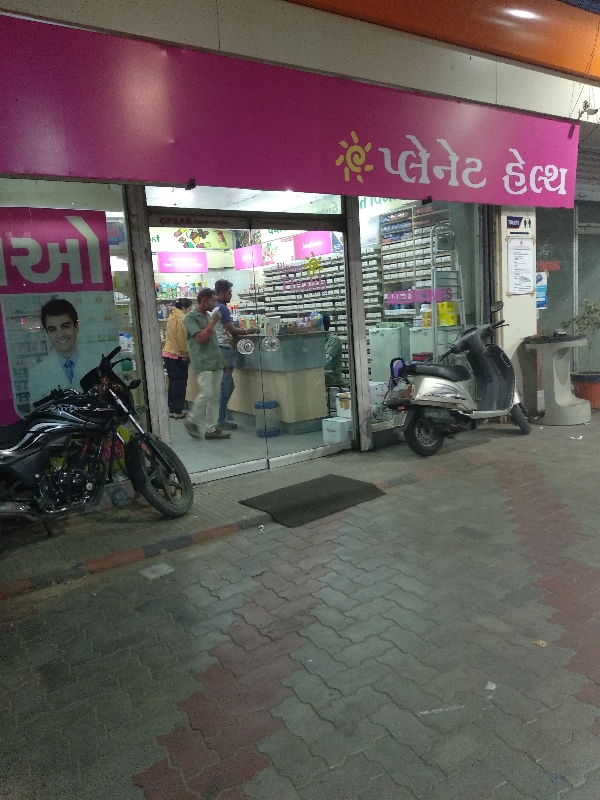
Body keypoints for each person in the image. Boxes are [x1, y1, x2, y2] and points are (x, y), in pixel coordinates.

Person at [28, 297, 101, 406]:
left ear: (76, 327)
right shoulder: (37, 373)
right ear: (47, 334)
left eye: (65, 326)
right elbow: (37, 413)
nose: (60, 334)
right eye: (53, 329)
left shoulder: (98, 363)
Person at [183, 288, 230, 440]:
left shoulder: (208, 316)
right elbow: (201, 338)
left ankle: (211, 429)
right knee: (206, 394)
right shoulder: (190, 318)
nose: (215, 304)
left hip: (215, 360)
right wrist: (213, 322)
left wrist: (222, 359)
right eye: (213, 300)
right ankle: (191, 420)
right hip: (202, 361)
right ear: (204, 300)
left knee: (215, 396)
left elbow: (213, 341)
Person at [214, 279, 259, 431]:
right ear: (221, 293)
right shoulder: (222, 308)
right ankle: (220, 422)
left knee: (228, 385)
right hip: (224, 349)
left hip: (218, 348)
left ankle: (219, 418)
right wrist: (249, 330)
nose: (231, 295)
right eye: (229, 293)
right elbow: (232, 331)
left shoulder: (214, 307)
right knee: (225, 386)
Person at [162, 298, 192, 419]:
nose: (190, 312)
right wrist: (186, 354)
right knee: (180, 384)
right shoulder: (182, 318)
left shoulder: (172, 316)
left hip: (168, 353)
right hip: (178, 355)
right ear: (183, 308)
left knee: (173, 383)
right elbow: (182, 339)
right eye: (189, 309)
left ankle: (171, 409)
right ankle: (178, 411)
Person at [323, 312, 343, 387]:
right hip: (320, 378)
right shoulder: (316, 340)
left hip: (332, 380)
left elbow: (326, 360)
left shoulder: (334, 340)